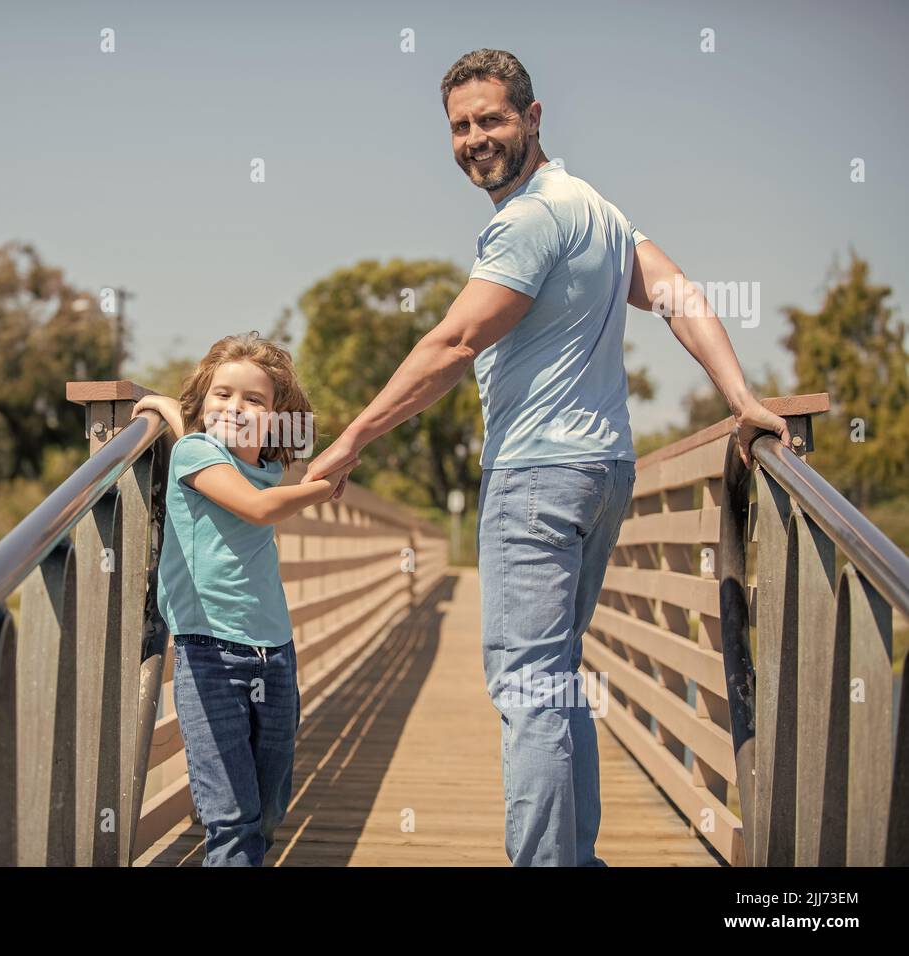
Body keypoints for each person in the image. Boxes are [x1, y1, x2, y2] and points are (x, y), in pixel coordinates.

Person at [301, 49, 790, 866]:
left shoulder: (530, 218)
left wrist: (350, 439)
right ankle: (575, 857)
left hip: (536, 474)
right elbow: (677, 294)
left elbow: (455, 341)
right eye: (459, 127)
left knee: (528, 688)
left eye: (491, 119)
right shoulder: (595, 210)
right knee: (555, 677)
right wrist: (739, 395)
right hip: (606, 472)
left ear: (533, 118)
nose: (474, 139)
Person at [133, 332, 356, 865]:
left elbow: (244, 464)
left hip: (274, 654)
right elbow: (255, 508)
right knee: (232, 818)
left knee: (270, 804)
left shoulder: (270, 468)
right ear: (203, 402)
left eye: (254, 400)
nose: (234, 408)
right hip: (209, 655)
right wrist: (325, 487)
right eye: (222, 395)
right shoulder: (193, 453)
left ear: (277, 418)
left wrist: (178, 410)